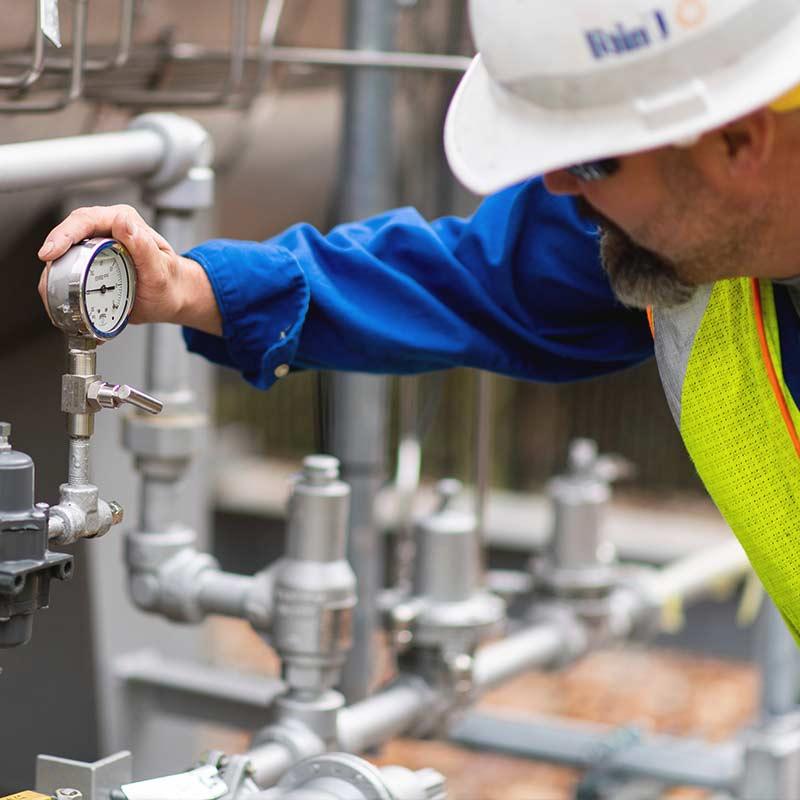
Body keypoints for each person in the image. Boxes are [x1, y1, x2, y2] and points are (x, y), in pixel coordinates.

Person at [36, 0, 800, 639]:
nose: (558, 185)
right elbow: (467, 276)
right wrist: (188, 285)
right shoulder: (661, 216)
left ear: (739, 140)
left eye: (594, 159)